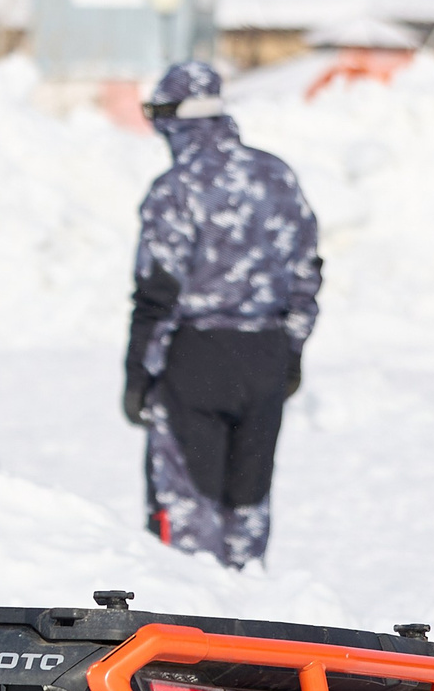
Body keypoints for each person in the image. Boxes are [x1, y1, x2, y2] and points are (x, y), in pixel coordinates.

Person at [125, 61, 320, 571]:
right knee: (247, 508)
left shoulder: (175, 188)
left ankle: (191, 630)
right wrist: (291, 350)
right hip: (265, 357)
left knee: (189, 512)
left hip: (196, 359)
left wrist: (139, 375)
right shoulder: (275, 175)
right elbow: (307, 271)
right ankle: (250, 620)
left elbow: (157, 292)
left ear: (172, 118)